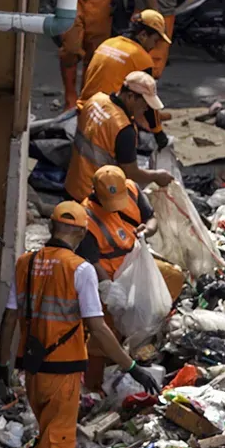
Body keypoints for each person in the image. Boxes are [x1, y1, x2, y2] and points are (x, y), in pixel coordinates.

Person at [0, 201, 159, 448]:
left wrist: (1, 368)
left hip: (32, 370)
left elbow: (10, 319)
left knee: (45, 437)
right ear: (82, 233)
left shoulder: (25, 262)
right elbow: (98, 329)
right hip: (62, 371)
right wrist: (132, 366)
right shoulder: (80, 269)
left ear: (53, 227)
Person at [78, 166, 159, 390]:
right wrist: (108, 288)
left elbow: (152, 218)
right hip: (110, 280)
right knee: (103, 332)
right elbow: (92, 262)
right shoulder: (86, 217)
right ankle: (94, 387)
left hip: (134, 269)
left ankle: (122, 364)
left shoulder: (132, 190)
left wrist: (147, 230)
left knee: (170, 283)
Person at [65, 71, 174, 202]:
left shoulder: (96, 100)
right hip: (95, 197)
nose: (146, 109)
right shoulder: (123, 129)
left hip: (72, 186)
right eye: (145, 104)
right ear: (130, 97)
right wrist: (156, 176)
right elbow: (131, 173)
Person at [80, 10, 168, 101]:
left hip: (85, 107)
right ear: (143, 35)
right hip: (108, 111)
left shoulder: (108, 42)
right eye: (155, 41)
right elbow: (146, 103)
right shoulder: (143, 59)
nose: (153, 46)